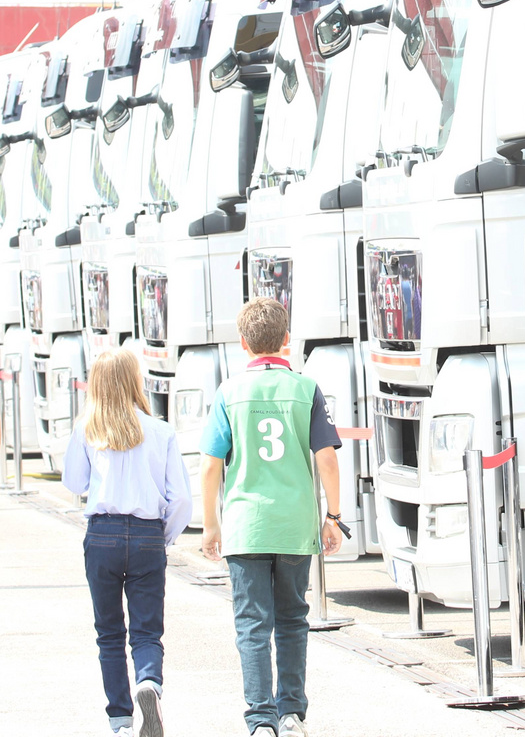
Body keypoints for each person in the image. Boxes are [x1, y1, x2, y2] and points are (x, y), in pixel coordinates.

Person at [199, 298, 344, 737]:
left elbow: (210, 465)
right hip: (295, 525)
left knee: (252, 623)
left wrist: (211, 524)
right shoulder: (306, 389)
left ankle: (259, 719)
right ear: (286, 341)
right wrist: (332, 516)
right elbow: (327, 460)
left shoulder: (229, 392)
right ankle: (291, 712)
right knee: (293, 619)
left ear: (243, 344)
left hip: (245, 526)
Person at [63, 347, 193, 737]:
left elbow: (74, 483)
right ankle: (149, 682)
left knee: (108, 632)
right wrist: (163, 536)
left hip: (102, 533)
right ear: (136, 380)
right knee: (147, 631)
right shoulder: (161, 430)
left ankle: (120, 720)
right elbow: (182, 498)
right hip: (147, 534)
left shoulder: (87, 427)